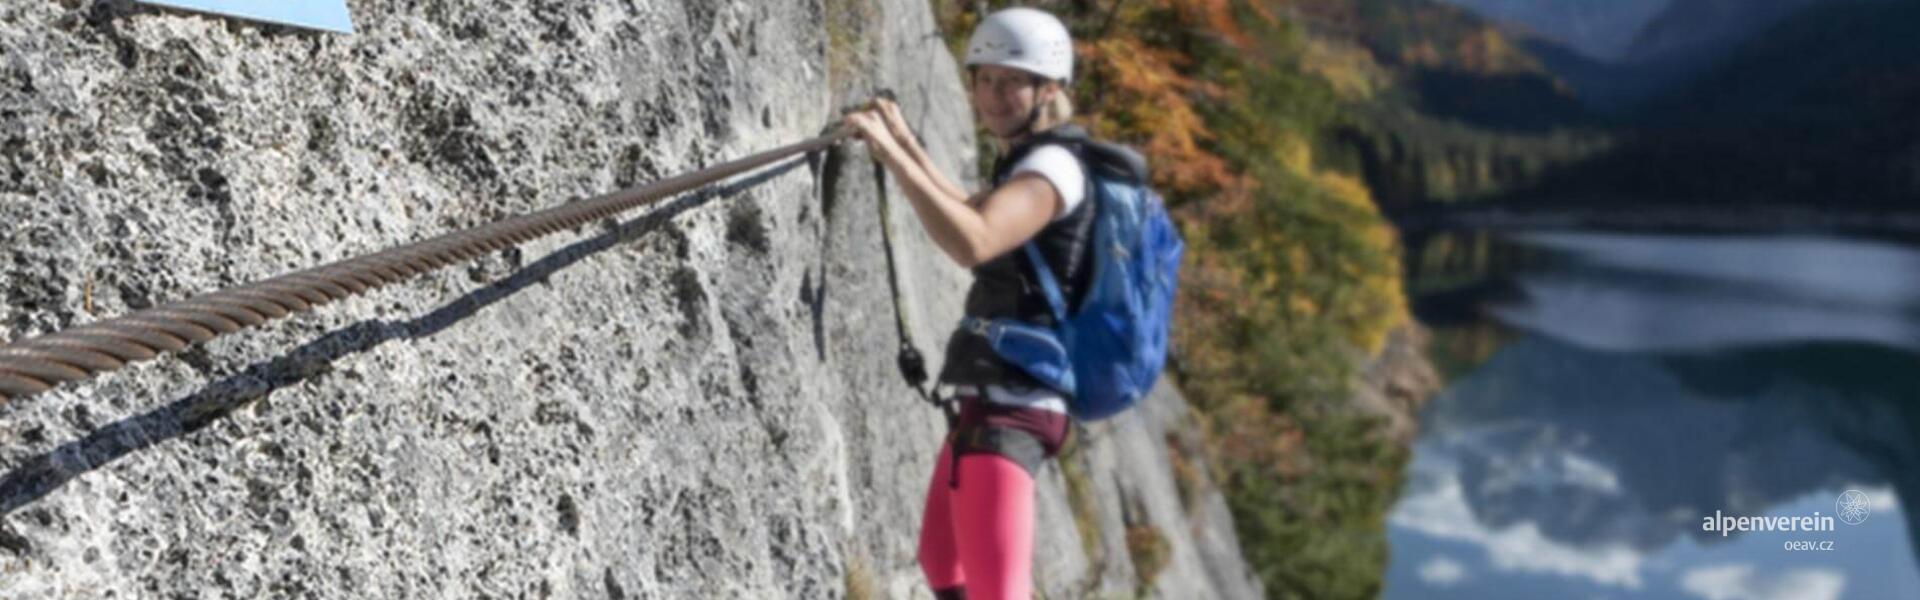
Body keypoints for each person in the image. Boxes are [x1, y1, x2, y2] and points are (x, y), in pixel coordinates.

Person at [842, 7, 1092, 600]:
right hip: (989, 403)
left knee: (994, 593)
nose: (994, 95)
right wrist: (903, 141)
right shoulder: (1030, 162)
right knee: (942, 565)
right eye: (985, 79)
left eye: (1013, 81)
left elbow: (974, 241)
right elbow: (971, 208)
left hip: (1015, 410)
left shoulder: (1053, 170)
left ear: (1048, 89)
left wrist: (892, 157)